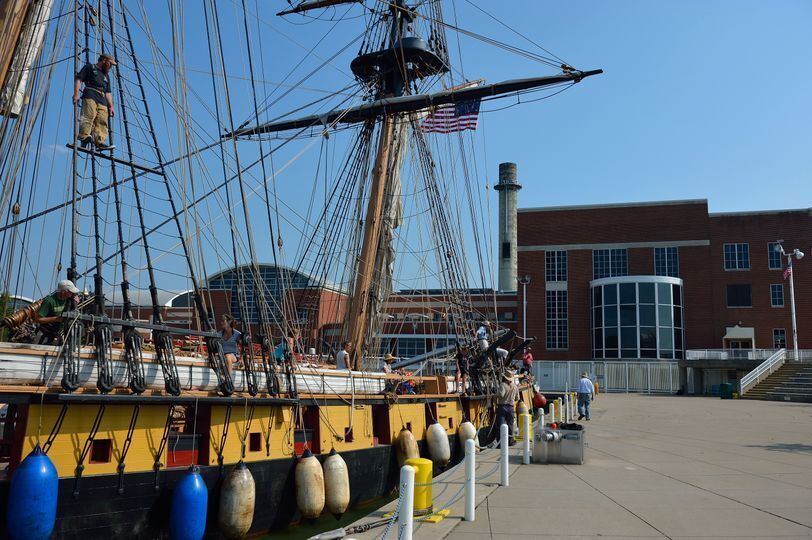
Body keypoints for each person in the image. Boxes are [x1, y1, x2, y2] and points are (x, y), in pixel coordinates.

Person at [73, 53, 116, 150]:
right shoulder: (89, 67)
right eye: (110, 64)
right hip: (90, 94)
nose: (111, 67)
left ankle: (99, 142)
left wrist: (111, 106)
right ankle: (84, 137)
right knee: (89, 115)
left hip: (102, 99)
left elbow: (108, 92)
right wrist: (76, 94)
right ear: (104, 61)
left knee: (102, 120)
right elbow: (79, 79)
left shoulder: (106, 76)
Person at [33, 280, 81, 344]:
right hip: (44, 334)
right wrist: (56, 319)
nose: (72, 293)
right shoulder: (49, 301)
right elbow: (37, 319)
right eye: (70, 292)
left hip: (58, 335)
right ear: (63, 291)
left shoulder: (69, 300)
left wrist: (76, 304)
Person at [495, 369, 518, 446]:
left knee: (500, 425)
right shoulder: (515, 386)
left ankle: (500, 443)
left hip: (502, 407)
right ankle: (510, 441)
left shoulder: (502, 385)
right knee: (510, 425)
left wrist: (495, 395)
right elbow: (517, 398)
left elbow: (501, 395)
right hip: (511, 408)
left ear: (505, 377)